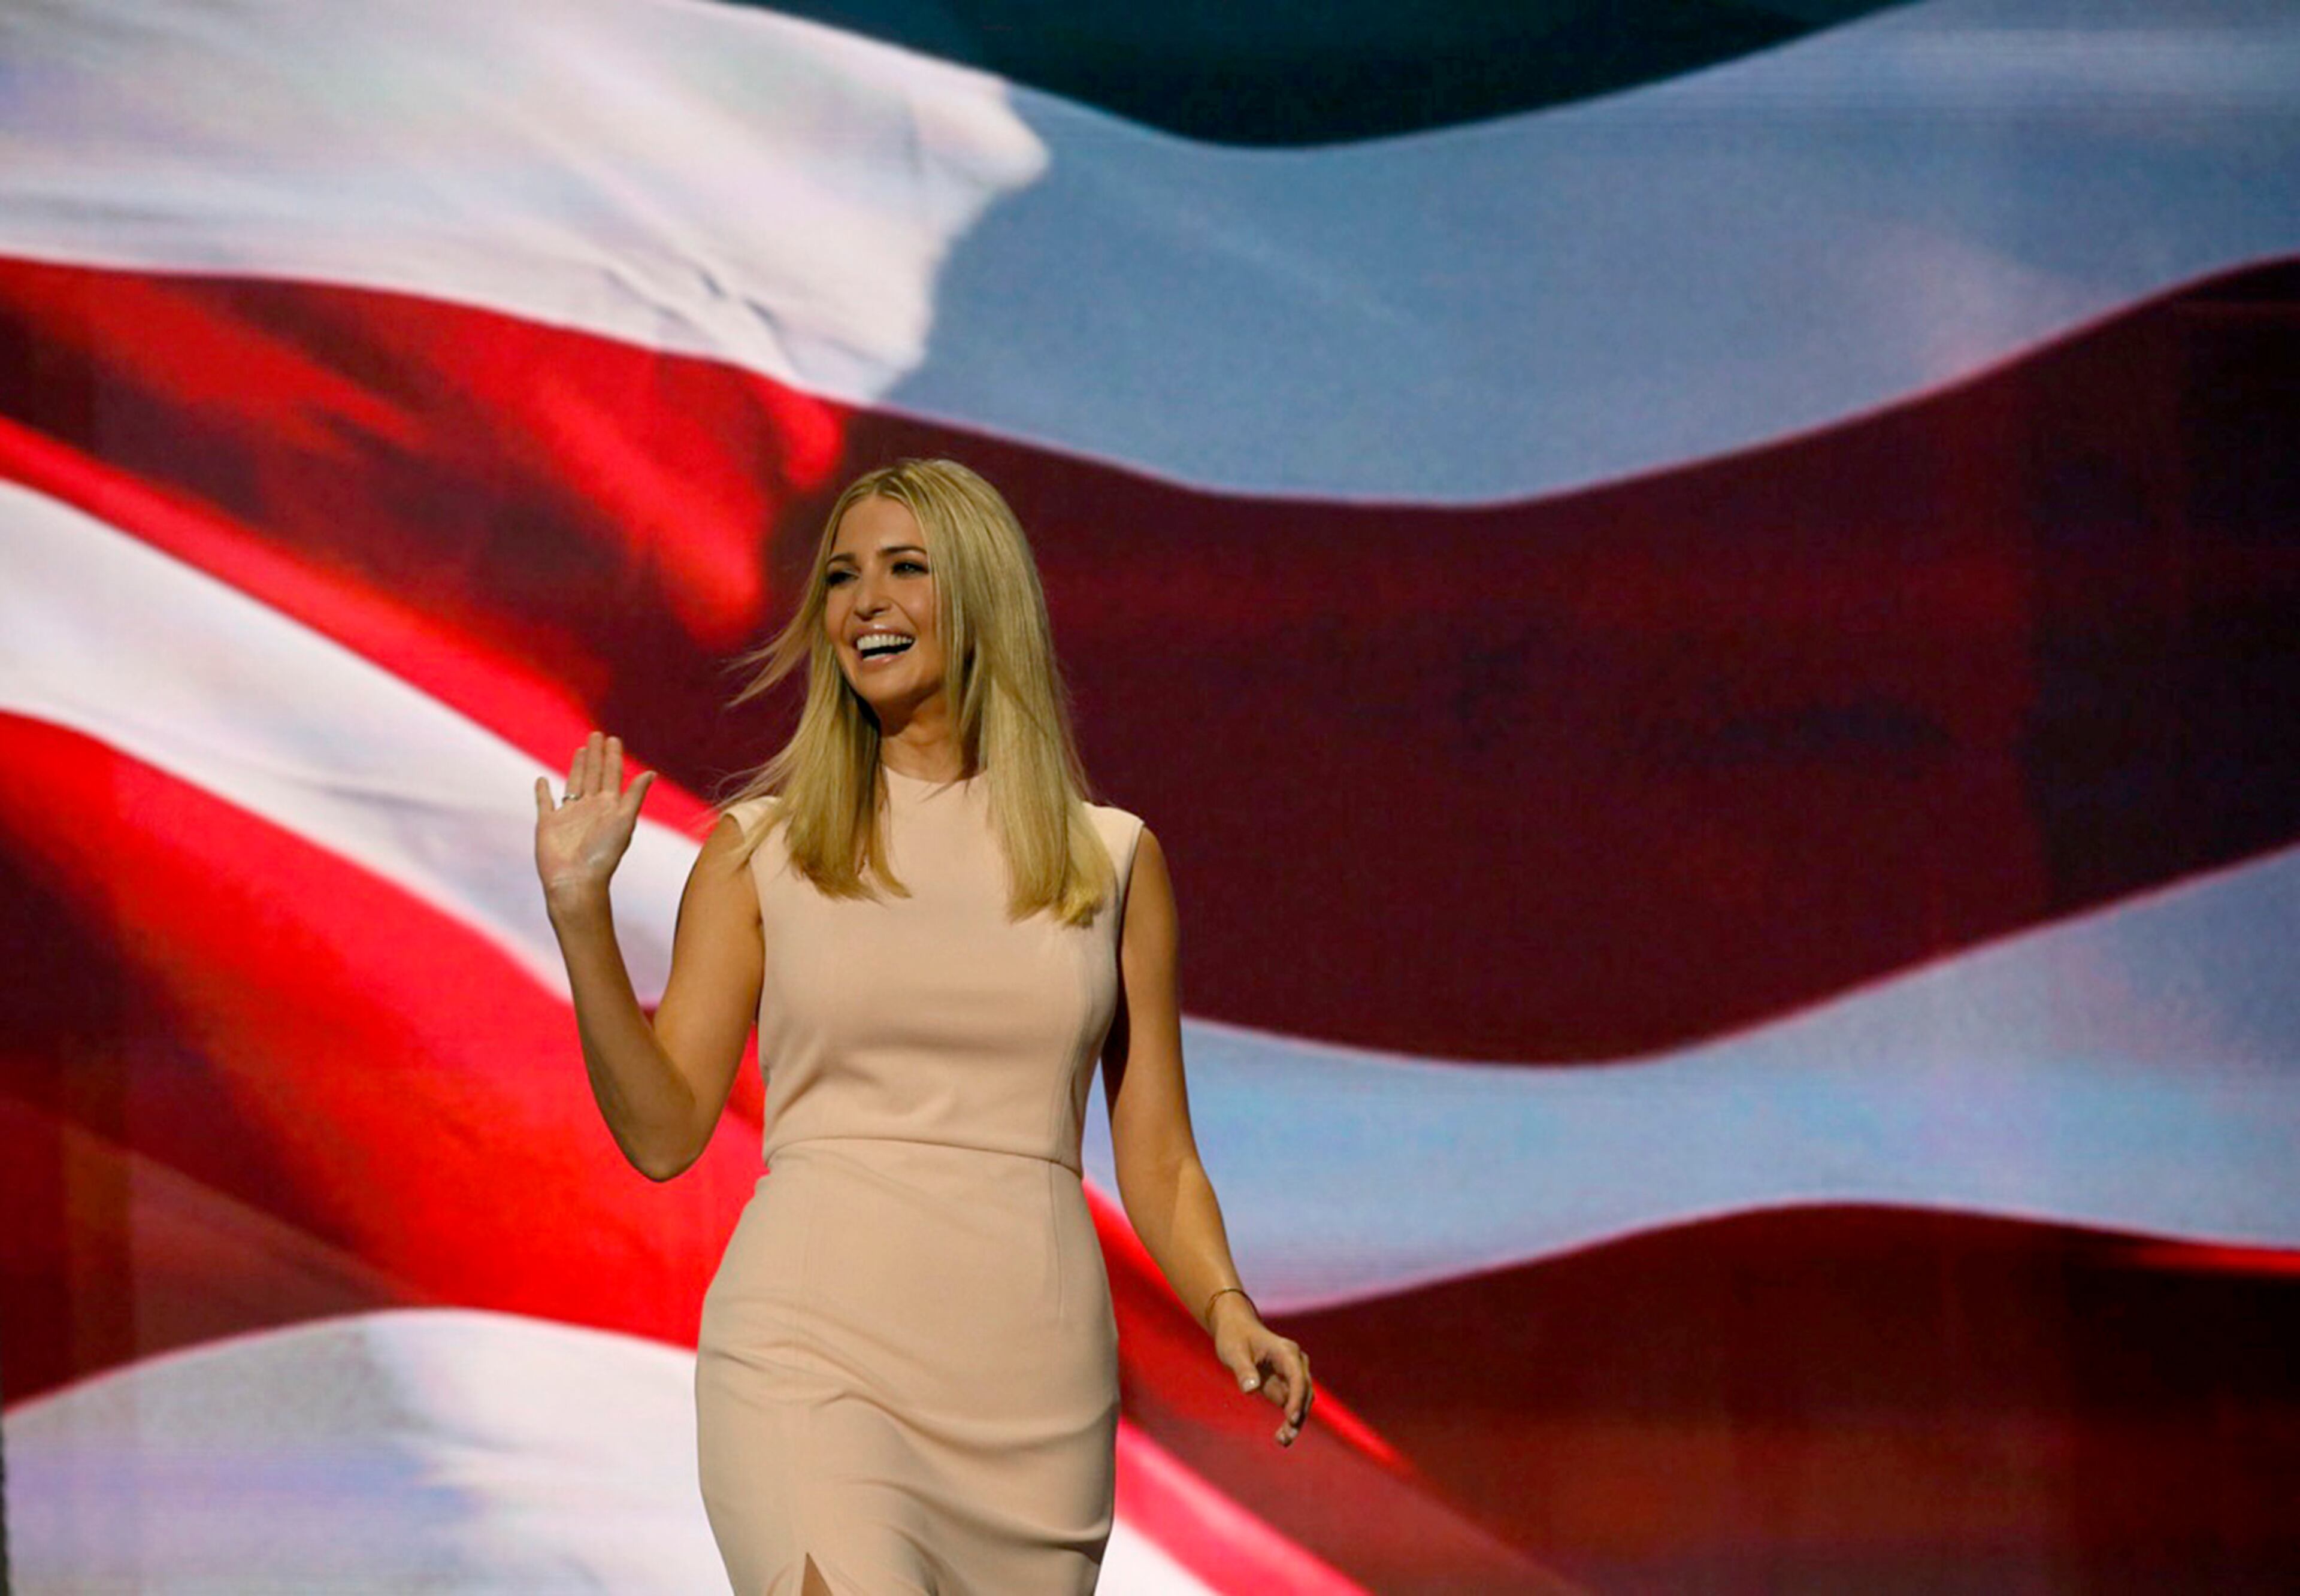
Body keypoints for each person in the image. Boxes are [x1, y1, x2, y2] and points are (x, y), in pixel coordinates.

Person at [531, 458, 1314, 1593]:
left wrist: (1226, 1304)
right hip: (813, 1350)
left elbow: (1160, 1155)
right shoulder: (764, 850)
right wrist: (580, 917)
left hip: (1029, 1385)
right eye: (843, 578)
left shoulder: (1113, 860)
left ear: (987, 596)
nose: (864, 602)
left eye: (907, 568)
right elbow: (663, 1133)